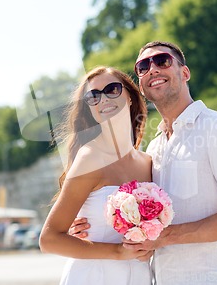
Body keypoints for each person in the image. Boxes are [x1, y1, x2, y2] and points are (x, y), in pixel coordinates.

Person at [70, 41, 217, 284]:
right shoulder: (153, 148)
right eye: (143, 66)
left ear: (185, 73)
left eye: (162, 61)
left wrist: (165, 237)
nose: (152, 69)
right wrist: (90, 226)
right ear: (140, 85)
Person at [39, 66, 153, 285]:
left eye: (112, 89)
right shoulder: (90, 158)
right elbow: (49, 239)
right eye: (93, 96)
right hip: (94, 276)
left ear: (130, 97)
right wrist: (119, 252)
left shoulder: (148, 162)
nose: (104, 99)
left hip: (139, 276)